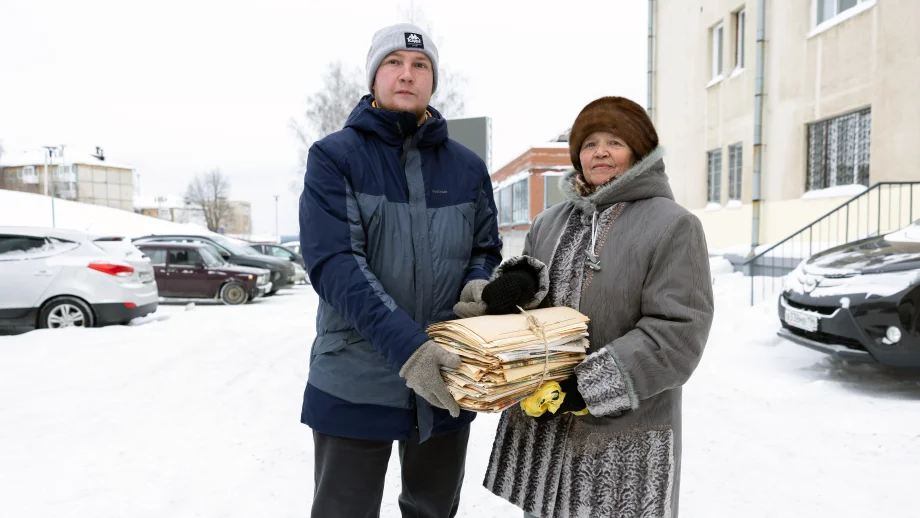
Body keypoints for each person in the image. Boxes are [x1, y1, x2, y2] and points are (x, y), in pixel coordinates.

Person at [465, 96, 714, 517]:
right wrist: (522, 281)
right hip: (544, 428)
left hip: (622, 434)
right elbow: (535, 312)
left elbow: (677, 333)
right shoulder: (549, 221)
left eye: (614, 141)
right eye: (589, 143)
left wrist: (586, 387)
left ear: (639, 150)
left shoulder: (674, 225)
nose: (600, 152)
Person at [298, 22, 502, 518]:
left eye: (420, 65)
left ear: (433, 81)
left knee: (432, 510)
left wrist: (479, 284)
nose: (406, 74)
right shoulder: (334, 157)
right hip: (355, 376)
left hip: (448, 375)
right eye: (393, 63)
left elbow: (485, 248)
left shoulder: (467, 168)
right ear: (374, 76)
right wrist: (409, 349)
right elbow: (335, 265)